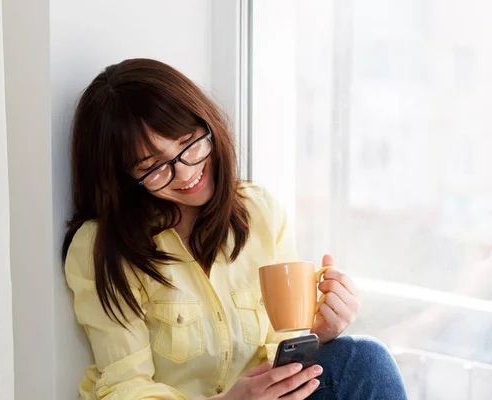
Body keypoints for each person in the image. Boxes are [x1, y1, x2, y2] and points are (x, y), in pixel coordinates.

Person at [62, 58, 408, 400]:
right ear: (124, 179)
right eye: (154, 167)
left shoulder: (258, 211)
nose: (184, 173)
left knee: (364, 358)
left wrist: (322, 331)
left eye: (189, 144)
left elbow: (279, 349)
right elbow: (125, 388)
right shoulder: (101, 247)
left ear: (208, 125)